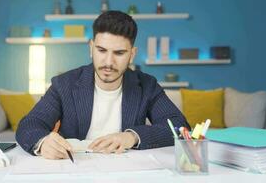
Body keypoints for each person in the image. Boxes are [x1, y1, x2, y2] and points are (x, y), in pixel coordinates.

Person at [16, 10, 190, 159]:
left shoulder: (147, 85)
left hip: (128, 172)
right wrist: (43, 142)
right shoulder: (64, 84)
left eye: (119, 53)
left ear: (132, 54)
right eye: (101, 50)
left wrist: (132, 137)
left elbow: (178, 126)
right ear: (91, 48)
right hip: (75, 171)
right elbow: (29, 124)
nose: (108, 62)